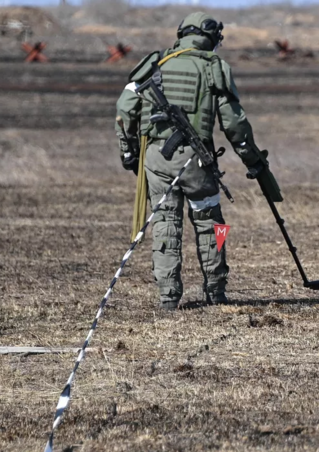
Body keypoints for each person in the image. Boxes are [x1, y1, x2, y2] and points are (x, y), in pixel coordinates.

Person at [114, 12, 270, 310]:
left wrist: (129, 153)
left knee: (165, 223)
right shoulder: (214, 67)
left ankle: (168, 297)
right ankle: (216, 290)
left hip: (156, 160)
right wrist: (252, 160)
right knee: (212, 224)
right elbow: (235, 125)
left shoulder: (154, 63)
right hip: (196, 162)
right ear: (211, 37)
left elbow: (124, 111)